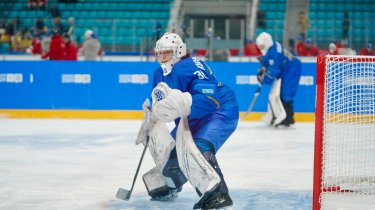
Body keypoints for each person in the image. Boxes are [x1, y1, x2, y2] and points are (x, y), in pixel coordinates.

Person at [140, 32, 239, 209]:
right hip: (191, 117)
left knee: (198, 149)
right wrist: (153, 118)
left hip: (218, 111)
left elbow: (210, 98)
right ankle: (171, 186)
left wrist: (187, 103)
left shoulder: (189, 66)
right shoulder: (158, 73)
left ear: (179, 51)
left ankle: (218, 194)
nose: (162, 57)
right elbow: (161, 102)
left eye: (167, 52)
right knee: (172, 154)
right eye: (160, 53)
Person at [255, 32, 302, 128]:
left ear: (267, 42)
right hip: (287, 69)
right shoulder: (272, 47)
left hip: (291, 69)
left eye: (262, 45)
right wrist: (264, 68)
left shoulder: (273, 53)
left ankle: (287, 119)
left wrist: (265, 79)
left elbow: (274, 71)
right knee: (275, 95)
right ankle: (276, 116)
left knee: (285, 94)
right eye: (259, 46)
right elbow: (272, 65)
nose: (261, 48)